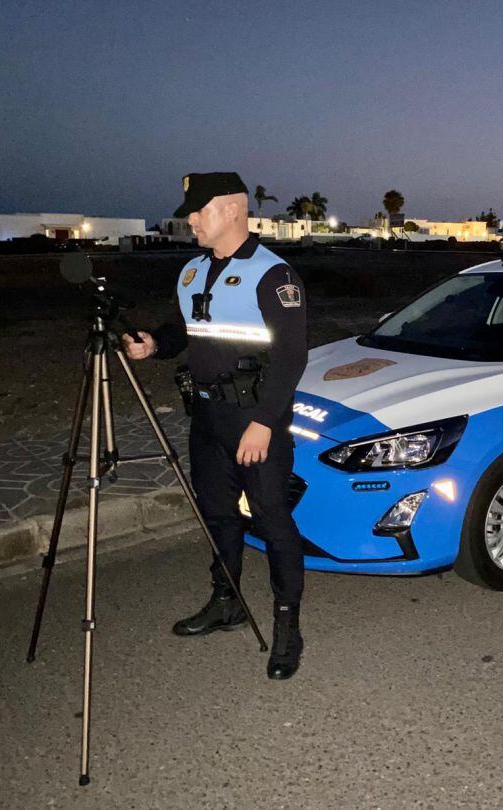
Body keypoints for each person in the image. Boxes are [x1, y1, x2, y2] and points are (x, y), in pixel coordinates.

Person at [124, 172, 307, 680]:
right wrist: (155, 345)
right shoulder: (189, 272)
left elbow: (291, 357)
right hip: (206, 420)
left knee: (272, 522)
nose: (190, 219)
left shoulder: (275, 275)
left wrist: (265, 424)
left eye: (198, 210)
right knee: (218, 517)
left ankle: (287, 629)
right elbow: (189, 329)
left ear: (230, 209)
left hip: (253, 423)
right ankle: (226, 602)